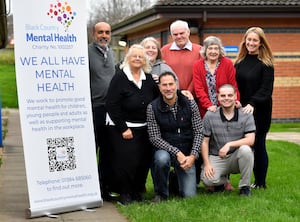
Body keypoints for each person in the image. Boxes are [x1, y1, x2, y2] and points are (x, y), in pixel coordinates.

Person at [105, 44, 160, 205]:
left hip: (144, 128)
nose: (137, 59)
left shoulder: (149, 78)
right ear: (128, 59)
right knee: (126, 163)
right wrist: (123, 128)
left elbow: (158, 99)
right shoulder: (120, 77)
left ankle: (137, 191)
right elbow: (111, 104)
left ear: (145, 61)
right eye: (134, 56)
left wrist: (180, 93)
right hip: (123, 128)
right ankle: (124, 193)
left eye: (140, 57)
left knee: (143, 162)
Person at [192, 36, 240, 191]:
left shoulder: (227, 64)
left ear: (220, 51)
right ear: (205, 51)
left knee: (225, 140)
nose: (213, 51)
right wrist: (209, 106)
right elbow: (198, 89)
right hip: (205, 111)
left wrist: (235, 100)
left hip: (225, 108)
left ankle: (225, 181)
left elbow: (233, 85)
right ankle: (210, 176)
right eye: (210, 48)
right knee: (206, 142)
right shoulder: (198, 65)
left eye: (216, 48)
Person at [146, 71, 203, 202]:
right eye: (164, 85)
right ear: (159, 88)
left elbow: (199, 131)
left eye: (171, 84)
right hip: (165, 150)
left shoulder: (190, 103)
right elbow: (154, 137)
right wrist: (176, 152)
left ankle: (174, 178)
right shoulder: (152, 107)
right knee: (161, 159)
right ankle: (161, 193)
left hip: (187, 152)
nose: (168, 88)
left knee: (189, 196)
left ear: (176, 85)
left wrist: (193, 156)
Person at [234, 27, 274, 189]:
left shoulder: (266, 64)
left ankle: (260, 183)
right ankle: (242, 181)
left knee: (258, 145)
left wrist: (252, 103)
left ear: (261, 43)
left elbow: (266, 89)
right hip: (241, 110)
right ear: (245, 41)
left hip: (259, 111)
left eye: (255, 40)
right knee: (243, 146)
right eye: (248, 40)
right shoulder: (239, 62)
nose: (251, 43)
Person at [201, 84, 255, 196]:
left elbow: (250, 140)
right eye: (223, 95)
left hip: (236, 156)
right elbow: (204, 142)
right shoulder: (210, 115)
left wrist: (229, 144)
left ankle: (245, 187)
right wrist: (207, 164)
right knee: (207, 180)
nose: (226, 98)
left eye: (230, 95)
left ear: (235, 96)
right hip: (217, 156)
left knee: (246, 150)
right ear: (218, 97)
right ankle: (222, 182)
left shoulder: (245, 114)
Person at [88, 22, 115, 200]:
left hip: (111, 109)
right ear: (93, 34)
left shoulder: (111, 52)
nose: (104, 35)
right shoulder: (86, 52)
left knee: (108, 151)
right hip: (93, 108)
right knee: (91, 150)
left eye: (107, 32)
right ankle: (89, 189)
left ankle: (104, 189)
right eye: (100, 32)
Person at [161, 20, 201, 93]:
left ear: (188, 32)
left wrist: (189, 91)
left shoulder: (199, 51)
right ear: (171, 35)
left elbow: (200, 75)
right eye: (175, 34)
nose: (179, 36)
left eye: (182, 33)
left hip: (192, 96)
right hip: (170, 95)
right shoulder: (164, 51)